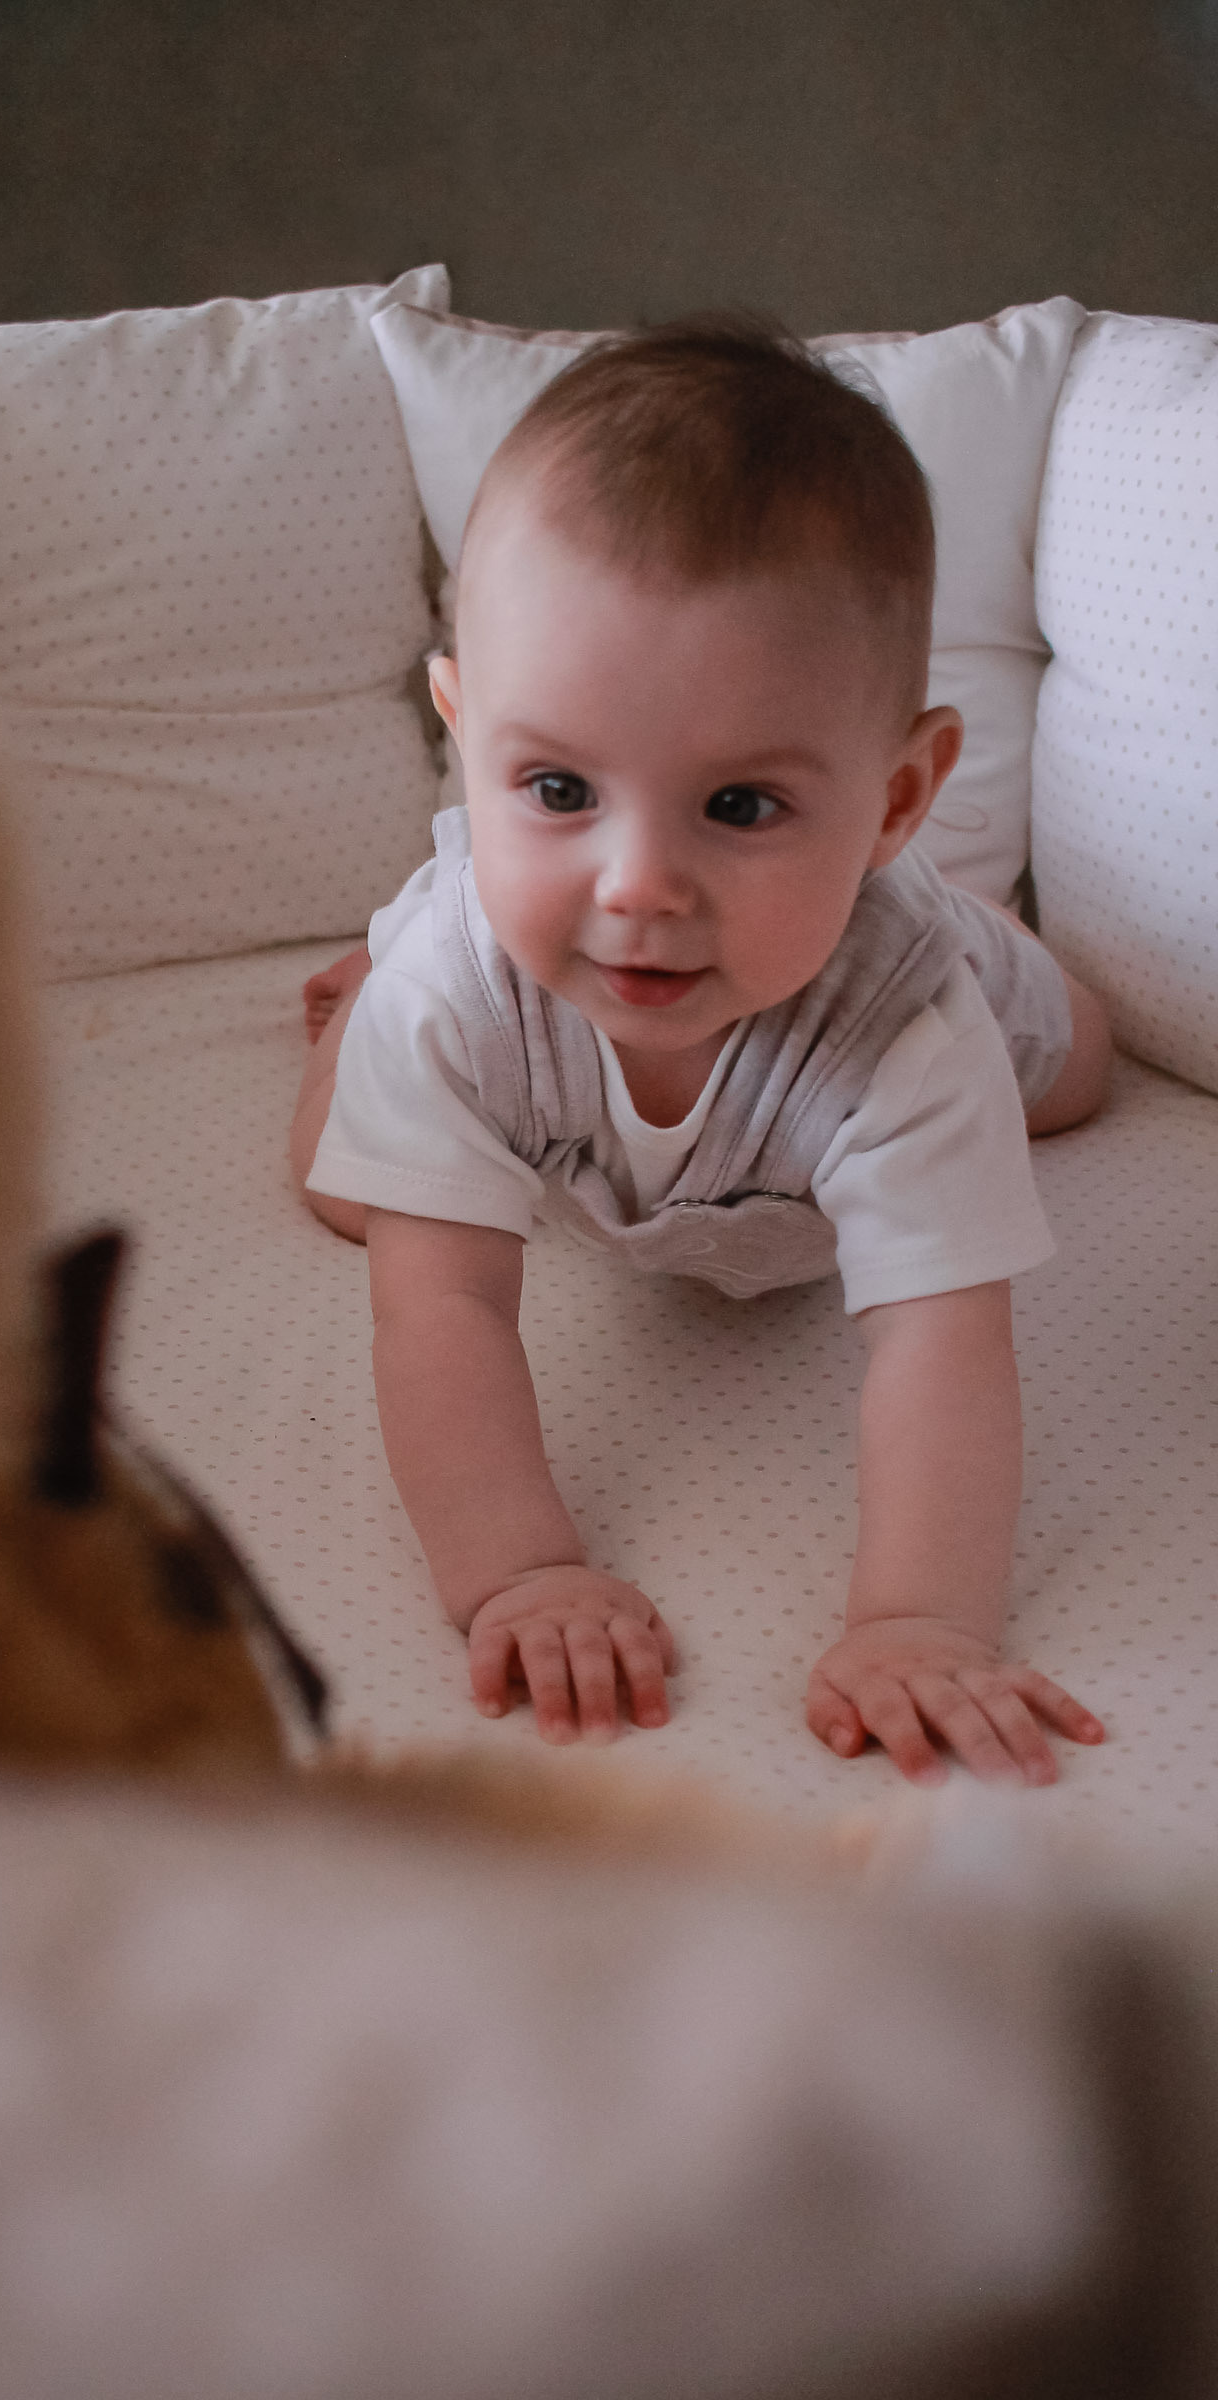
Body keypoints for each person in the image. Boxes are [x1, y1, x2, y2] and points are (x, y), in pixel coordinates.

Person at [289, 320, 1112, 1785]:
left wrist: (920, 1617)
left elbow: (942, 1345)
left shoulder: (909, 1031)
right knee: (344, 1186)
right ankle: (366, 987)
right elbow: (446, 1318)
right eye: (555, 787)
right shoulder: (461, 992)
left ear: (901, 793)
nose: (638, 887)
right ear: (461, 737)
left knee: (1082, 1073)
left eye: (739, 806)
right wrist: (520, 1571)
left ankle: (979, 918)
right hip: (500, 1017)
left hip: (891, 998)